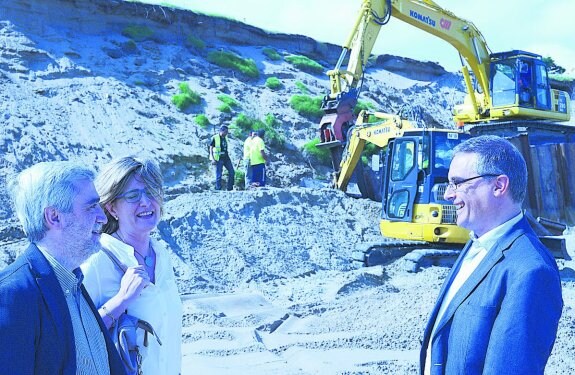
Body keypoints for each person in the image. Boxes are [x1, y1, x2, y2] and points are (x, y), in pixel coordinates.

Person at [420, 135, 563, 375]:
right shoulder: (476, 244)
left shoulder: (531, 271)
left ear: (498, 186)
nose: (448, 194)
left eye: (457, 183)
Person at [0, 161, 126, 374]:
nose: (103, 217)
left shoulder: (73, 282)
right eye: (90, 206)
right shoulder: (12, 294)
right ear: (54, 217)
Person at [81, 156, 182, 375]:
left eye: (152, 191)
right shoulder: (97, 260)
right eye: (133, 195)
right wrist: (121, 300)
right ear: (112, 208)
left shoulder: (161, 254)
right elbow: (75, 337)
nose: (146, 202)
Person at [209, 125, 235, 190]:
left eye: (227, 132)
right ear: (221, 131)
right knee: (219, 174)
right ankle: (218, 188)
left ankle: (230, 188)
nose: (226, 133)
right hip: (218, 158)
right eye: (225, 132)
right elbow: (211, 148)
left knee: (232, 172)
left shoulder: (225, 138)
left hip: (226, 157)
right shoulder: (215, 138)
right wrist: (212, 158)